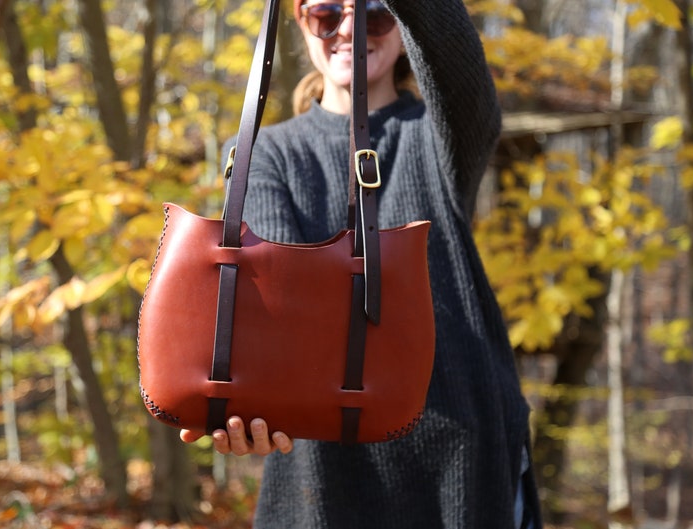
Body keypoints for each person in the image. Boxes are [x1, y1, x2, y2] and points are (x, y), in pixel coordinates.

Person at [180, 0, 543, 527]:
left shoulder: (441, 134)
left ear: (404, 26)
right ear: (302, 23)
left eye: (373, 12)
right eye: (327, 12)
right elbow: (280, 313)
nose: (348, 28)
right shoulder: (265, 152)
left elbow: (457, 62)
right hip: (324, 472)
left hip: (464, 468)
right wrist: (246, 407)